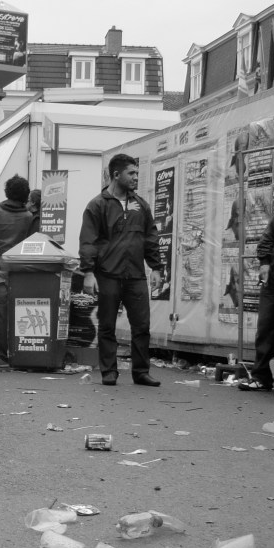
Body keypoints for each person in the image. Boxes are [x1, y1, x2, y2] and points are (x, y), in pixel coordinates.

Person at [79, 153, 163, 387]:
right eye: (131, 173)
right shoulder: (98, 205)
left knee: (142, 326)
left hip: (135, 275)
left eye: (137, 173)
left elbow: (151, 236)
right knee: (107, 325)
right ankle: (109, 371)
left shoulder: (140, 205)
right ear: (116, 175)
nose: (136, 177)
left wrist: (156, 267)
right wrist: (88, 272)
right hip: (108, 275)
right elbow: (88, 242)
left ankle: (141, 372)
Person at [0, 174, 35, 369]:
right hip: (19, 270)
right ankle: (19, 352)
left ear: (7, 192)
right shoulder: (29, 216)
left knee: (0, 316)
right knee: (19, 313)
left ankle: (2, 356)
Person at [238, 210, 274, 393]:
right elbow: (267, 238)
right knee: (264, 329)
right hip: (273, 282)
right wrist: (264, 263)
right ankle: (261, 378)